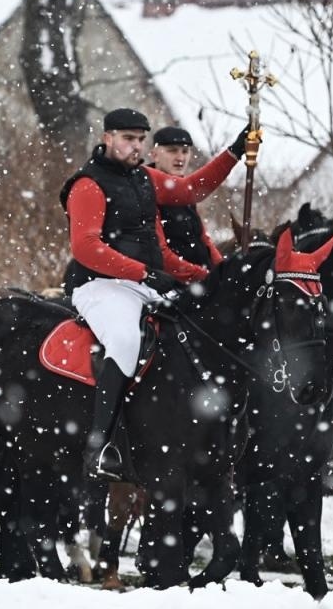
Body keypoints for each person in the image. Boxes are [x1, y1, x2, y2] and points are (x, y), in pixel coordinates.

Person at [60, 108, 248, 480]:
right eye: (127, 138)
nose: (135, 146)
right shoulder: (88, 184)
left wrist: (235, 151)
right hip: (101, 286)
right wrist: (145, 273)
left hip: (142, 284)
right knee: (127, 340)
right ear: (107, 138)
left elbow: (193, 189)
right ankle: (100, 447)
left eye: (140, 139)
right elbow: (85, 247)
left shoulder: (144, 178)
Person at [148, 126, 225, 269]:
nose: (180, 157)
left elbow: (203, 238)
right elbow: (161, 252)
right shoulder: (146, 188)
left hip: (200, 275)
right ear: (154, 154)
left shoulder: (185, 192)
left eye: (185, 151)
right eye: (172, 150)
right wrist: (201, 276)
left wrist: (223, 269)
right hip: (171, 282)